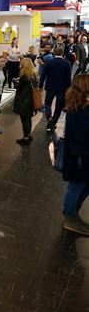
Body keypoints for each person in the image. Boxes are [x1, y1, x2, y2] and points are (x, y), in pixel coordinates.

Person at [61, 73, 89, 235]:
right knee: (77, 185)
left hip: (78, 153)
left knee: (80, 184)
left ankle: (71, 213)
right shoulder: (81, 109)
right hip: (80, 154)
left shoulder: (76, 105)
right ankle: (70, 216)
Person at [39, 46, 71, 131]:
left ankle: (49, 117)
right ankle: (53, 122)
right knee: (58, 106)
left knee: (47, 103)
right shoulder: (67, 63)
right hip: (62, 88)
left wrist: (40, 86)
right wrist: (69, 88)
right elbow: (68, 78)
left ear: (54, 53)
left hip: (50, 87)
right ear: (62, 53)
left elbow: (43, 75)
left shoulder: (49, 63)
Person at [13, 57, 37, 146]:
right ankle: (28, 135)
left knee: (24, 120)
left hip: (24, 99)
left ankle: (26, 138)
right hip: (31, 99)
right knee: (28, 118)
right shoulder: (33, 74)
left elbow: (18, 86)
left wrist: (14, 81)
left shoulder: (24, 74)